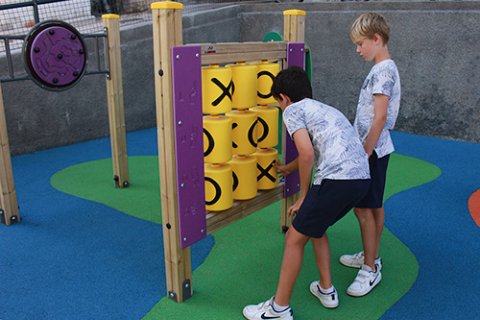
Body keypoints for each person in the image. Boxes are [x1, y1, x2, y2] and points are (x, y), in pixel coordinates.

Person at [242, 66, 371, 320]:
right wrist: (288, 168)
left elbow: (308, 154)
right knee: (315, 227)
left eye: (278, 103)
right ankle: (326, 289)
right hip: (360, 179)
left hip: (336, 180)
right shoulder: (322, 109)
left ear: (284, 98)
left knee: (293, 238)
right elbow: (319, 148)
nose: (280, 108)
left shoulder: (292, 111)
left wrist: (304, 195)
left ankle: (278, 309)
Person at [339, 12, 401, 297]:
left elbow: (380, 117)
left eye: (361, 43)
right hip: (375, 148)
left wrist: (363, 152)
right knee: (373, 204)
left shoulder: (384, 70)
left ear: (376, 39)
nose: (357, 49)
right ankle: (370, 254)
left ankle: (370, 269)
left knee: (364, 207)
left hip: (372, 150)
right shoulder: (381, 67)